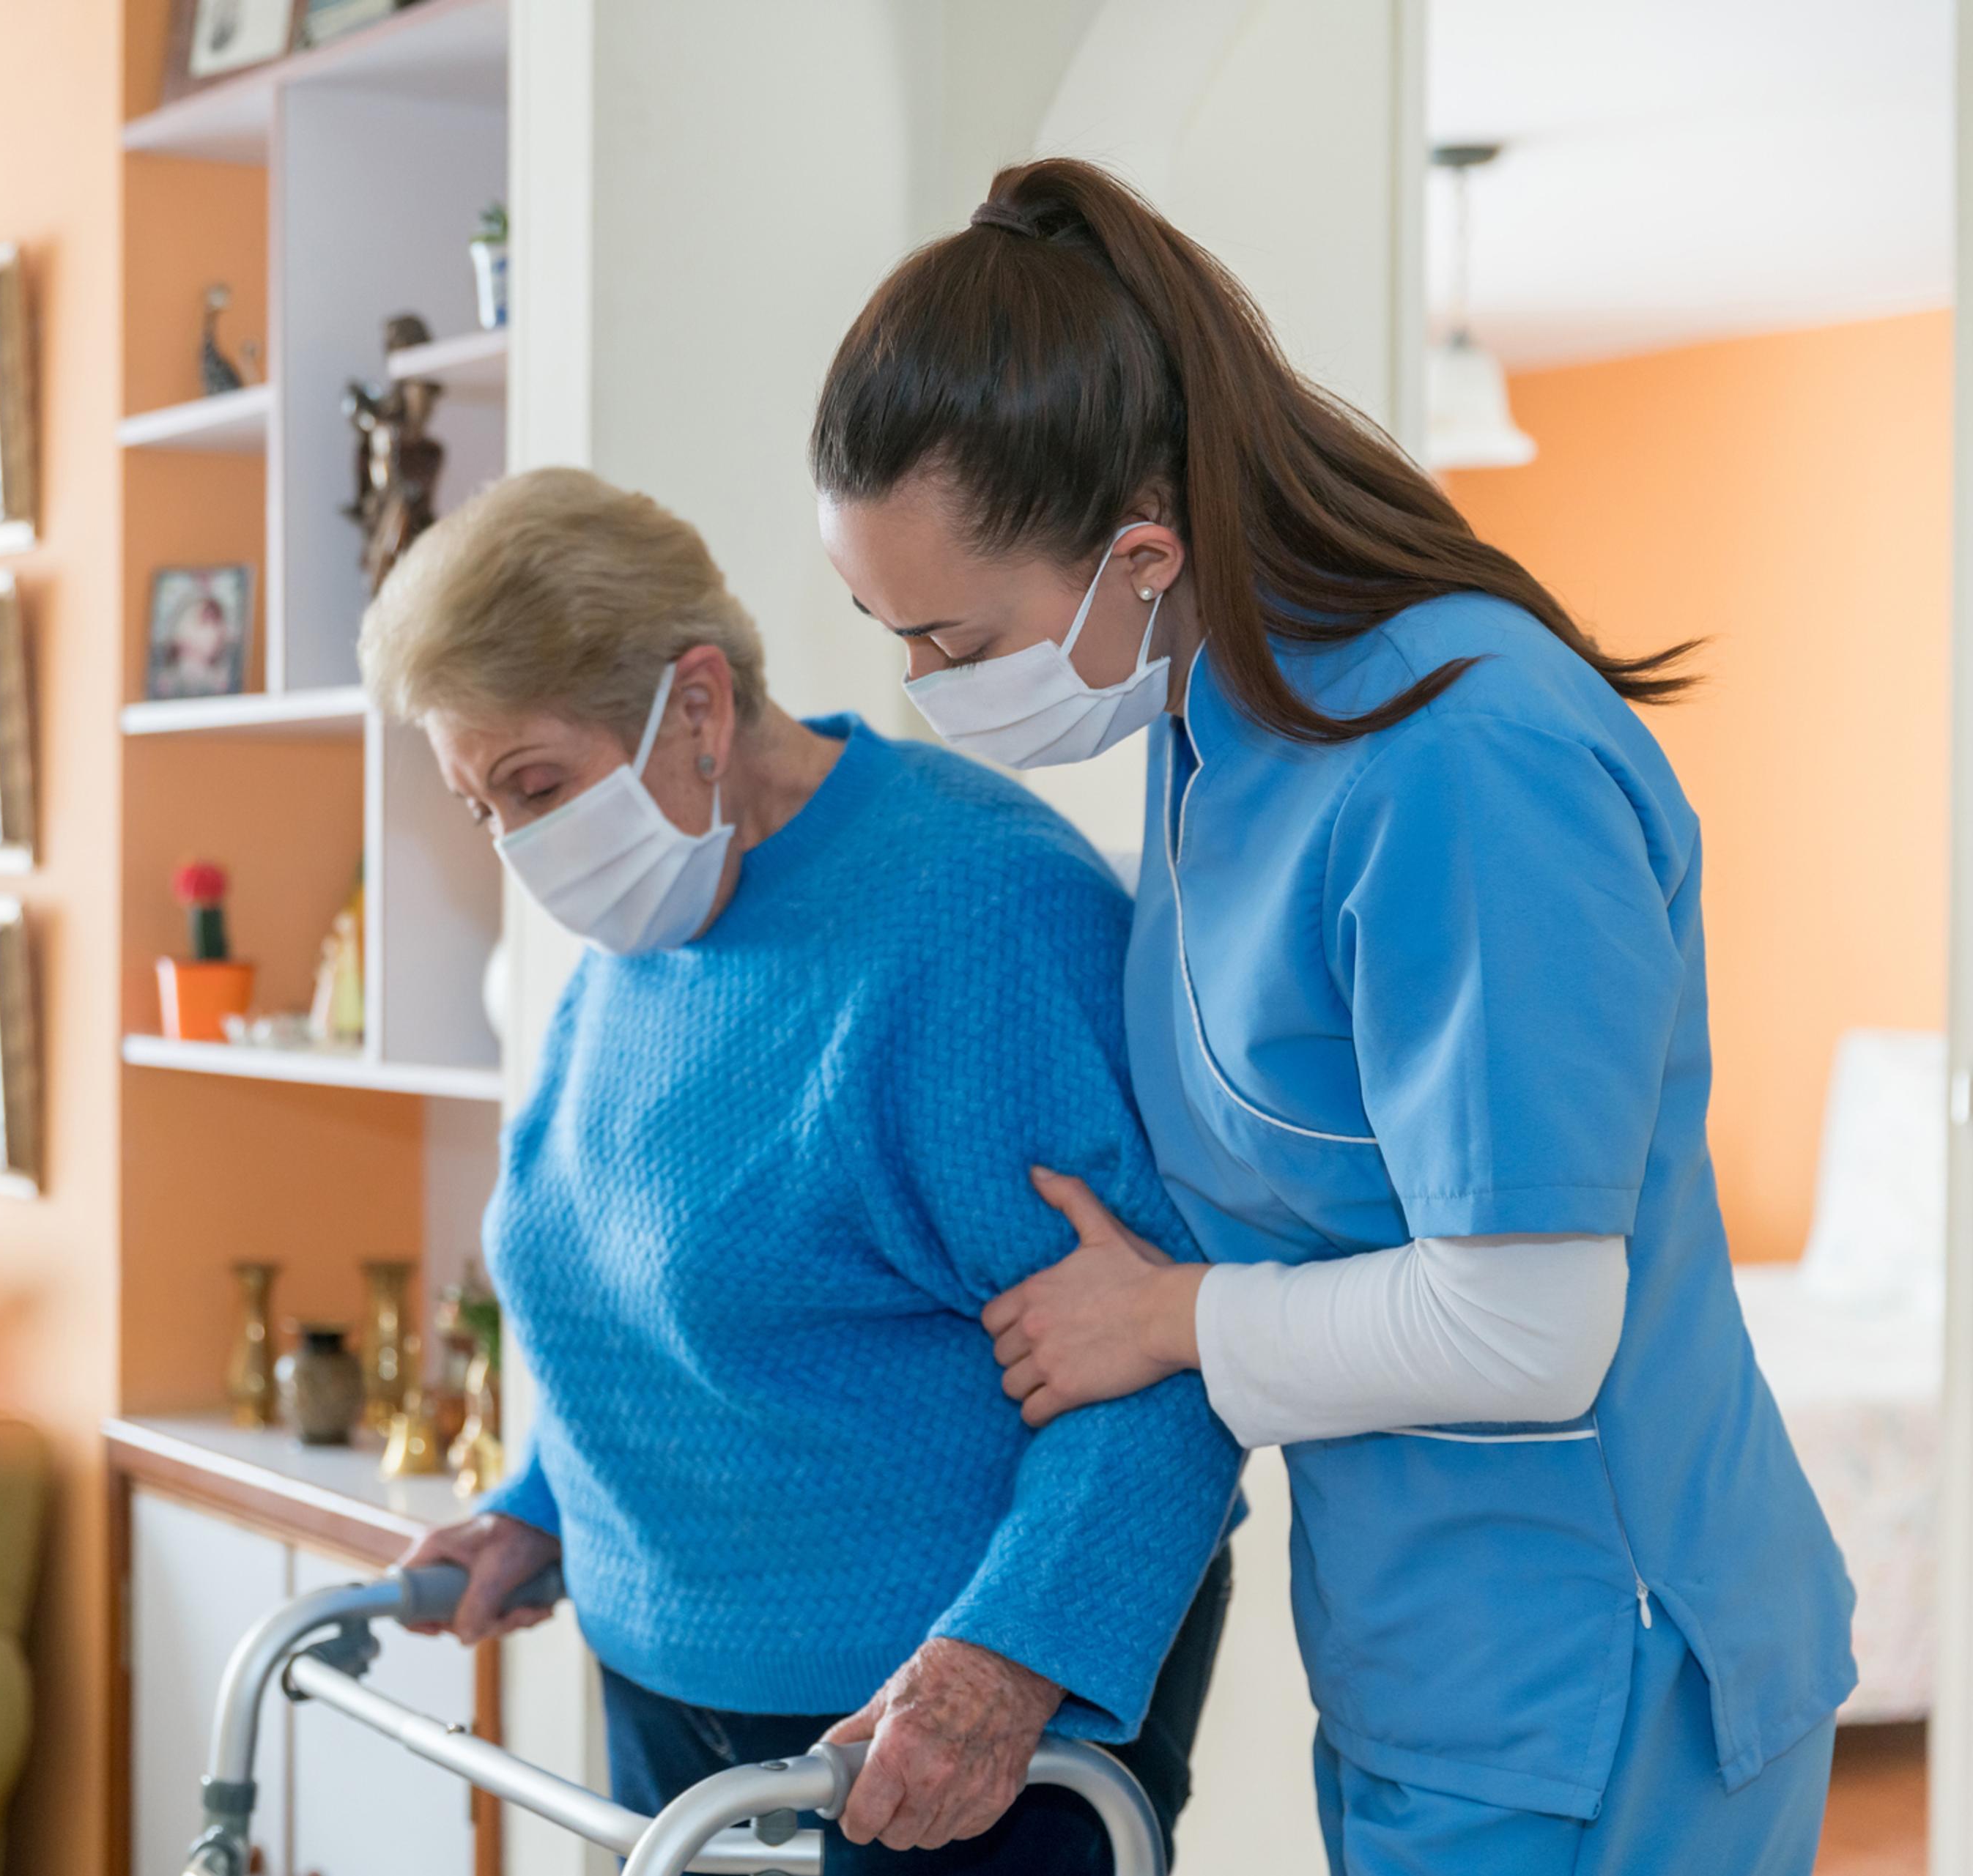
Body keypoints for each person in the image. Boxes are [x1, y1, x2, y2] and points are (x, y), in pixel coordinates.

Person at [811, 157, 1857, 1876]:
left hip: (1602, 1658)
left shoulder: (1467, 760)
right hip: (1420, 1655)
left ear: (1139, 555)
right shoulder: (1213, 712)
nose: (922, 691)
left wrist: (1171, 1322)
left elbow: (1533, 1325)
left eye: (950, 638)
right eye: (887, 631)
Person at [363, 467, 1240, 1872]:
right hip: (671, 1711)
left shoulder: (978, 912)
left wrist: (999, 1668)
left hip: (934, 1742)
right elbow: (647, 1288)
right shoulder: (650, 930)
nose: (521, 847)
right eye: (480, 808)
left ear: (698, 705)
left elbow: (1160, 1371)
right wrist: (541, 1507)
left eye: (534, 785)